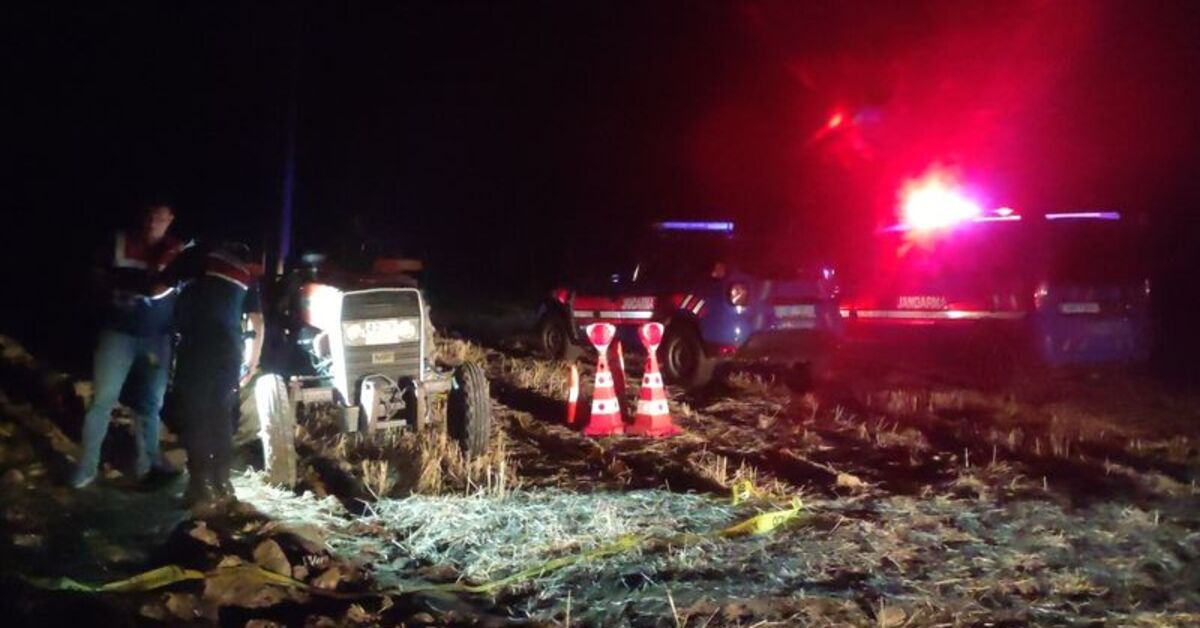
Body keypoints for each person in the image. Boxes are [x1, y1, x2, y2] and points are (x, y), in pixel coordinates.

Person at [71, 203, 184, 488]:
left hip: (157, 338)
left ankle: (150, 464)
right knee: (102, 401)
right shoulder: (120, 242)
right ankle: (86, 468)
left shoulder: (178, 251)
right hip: (117, 334)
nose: (153, 222)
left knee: (151, 404)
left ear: (170, 220)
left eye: (160, 217)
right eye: (149, 215)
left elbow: (181, 291)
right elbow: (95, 279)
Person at [161, 241, 263, 509]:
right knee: (220, 414)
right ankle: (222, 483)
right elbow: (257, 321)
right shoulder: (243, 272)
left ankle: (199, 487)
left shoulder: (194, 256)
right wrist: (252, 361)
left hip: (197, 346)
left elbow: (158, 288)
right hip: (231, 350)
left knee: (195, 414)